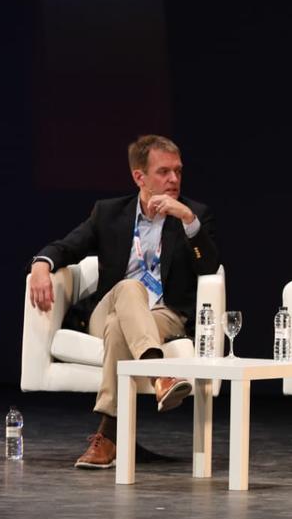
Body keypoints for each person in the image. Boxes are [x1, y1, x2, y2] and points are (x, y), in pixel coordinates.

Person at [27, 135, 220, 470]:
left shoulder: (194, 215)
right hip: (111, 307)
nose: (173, 179)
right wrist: (41, 264)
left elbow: (209, 267)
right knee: (129, 289)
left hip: (165, 315)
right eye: (163, 172)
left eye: (177, 171)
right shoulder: (109, 212)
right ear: (139, 177)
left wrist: (188, 221)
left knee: (122, 327)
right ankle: (159, 374)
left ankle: (109, 436)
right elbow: (67, 246)